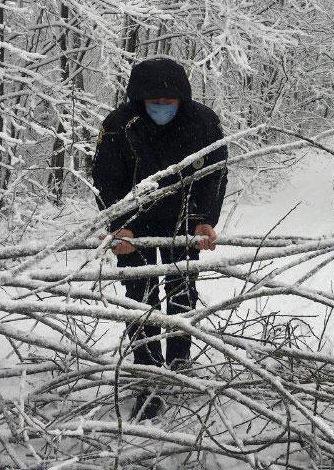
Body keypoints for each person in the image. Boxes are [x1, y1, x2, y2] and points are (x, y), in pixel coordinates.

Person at [92, 56, 227, 420]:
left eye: (169, 104)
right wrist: (119, 225)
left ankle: (180, 362)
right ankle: (148, 379)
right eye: (155, 104)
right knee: (141, 299)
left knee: (182, 293)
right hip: (133, 228)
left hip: (184, 224)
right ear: (140, 101)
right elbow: (106, 178)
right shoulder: (120, 125)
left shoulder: (204, 123)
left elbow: (215, 174)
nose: (162, 109)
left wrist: (204, 221)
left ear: (182, 100)